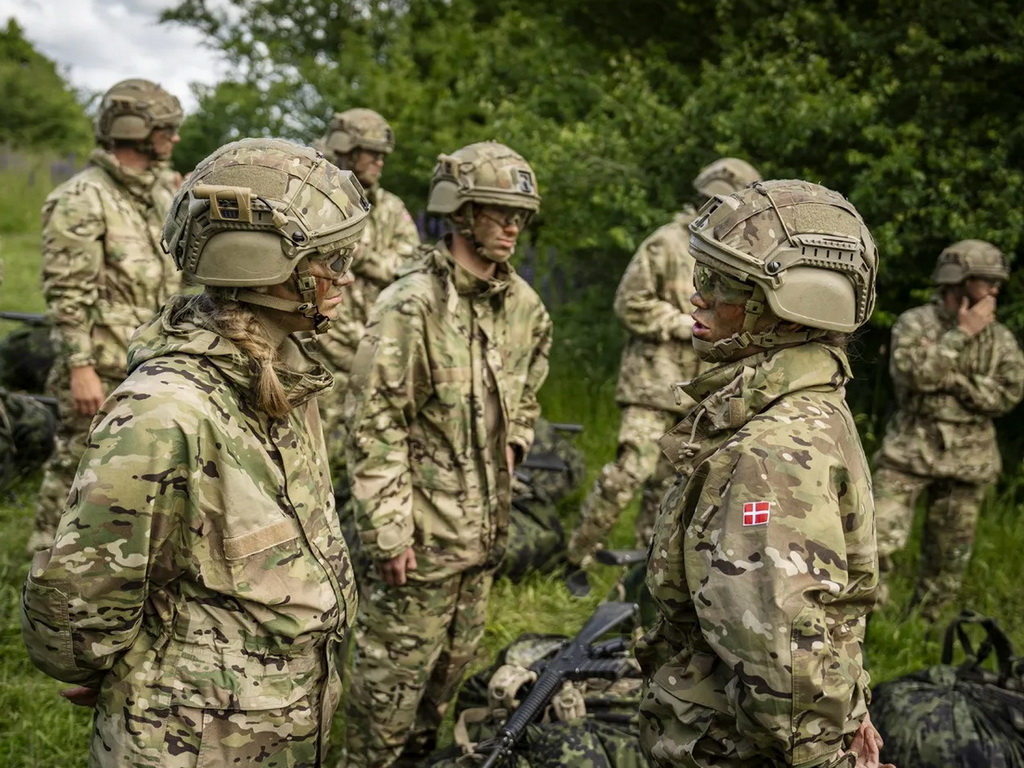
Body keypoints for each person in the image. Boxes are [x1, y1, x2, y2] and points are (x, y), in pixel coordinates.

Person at [21, 138, 369, 767]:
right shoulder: (166, 413)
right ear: (267, 265)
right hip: (187, 740)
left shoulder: (283, 378)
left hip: (279, 728)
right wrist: (119, 667)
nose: (344, 277)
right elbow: (75, 615)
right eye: (331, 259)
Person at [635, 180, 889, 768]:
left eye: (718, 283)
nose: (694, 297)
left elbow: (784, 667)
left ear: (791, 305)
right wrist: (852, 716)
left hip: (729, 747)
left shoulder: (771, 451)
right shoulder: (808, 401)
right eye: (702, 275)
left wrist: (831, 755)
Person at [343, 140, 552, 767]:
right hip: (420, 543)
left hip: (483, 542)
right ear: (460, 213)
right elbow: (375, 422)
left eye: (519, 214)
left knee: (444, 687)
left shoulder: (525, 308)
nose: (512, 225)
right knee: (387, 695)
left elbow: (529, 388)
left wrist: (516, 439)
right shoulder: (411, 303)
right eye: (496, 211)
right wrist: (387, 533)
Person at [566, 157, 761, 568]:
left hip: (702, 390)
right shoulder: (666, 242)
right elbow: (629, 303)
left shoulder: (738, 259)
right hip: (652, 383)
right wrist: (681, 323)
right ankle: (576, 558)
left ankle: (641, 569)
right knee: (628, 474)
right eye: (711, 200)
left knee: (669, 486)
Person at [27, 77, 185, 553]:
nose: (174, 139)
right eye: (167, 129)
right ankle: (46, 562)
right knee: (77, 468)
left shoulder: (159, 193)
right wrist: (80, 368)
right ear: (138, 130)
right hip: (102, 364)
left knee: (138, 472)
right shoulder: (82, 197)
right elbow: (67, 293)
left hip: (153, 359)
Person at [873, 239, 1024, 621]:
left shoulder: (1001, 339)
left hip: (968, 462)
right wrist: (961, 336)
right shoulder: (914, 323)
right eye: (986, 281)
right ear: (958, 280)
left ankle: (924, 631)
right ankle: (863, 626)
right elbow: (913, 375)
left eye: (997, 283)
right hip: (908, 453)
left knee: (947, 561)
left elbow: (1007, 395)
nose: (994, 290)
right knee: (873, 544)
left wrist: (953, 380)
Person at [313, 108, 421, 470]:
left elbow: (408, 268)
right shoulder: (312, 199)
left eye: (382, 155)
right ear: (345, 149)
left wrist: (357, 254)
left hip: (373, 354)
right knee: (316, 460)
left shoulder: (390, 209)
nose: (379, 161)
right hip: (317, 354)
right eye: (371, 152)